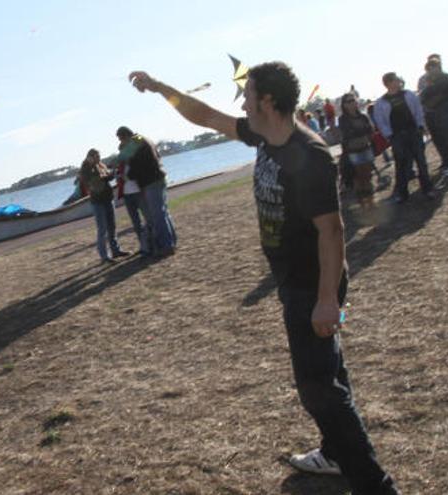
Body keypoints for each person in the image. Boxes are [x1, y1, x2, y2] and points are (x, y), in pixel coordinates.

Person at [129, 62, 399, 494]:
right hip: (296, 282)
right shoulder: (264, 135)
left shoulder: (307, 155)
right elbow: (206, 116)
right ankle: (334, 452)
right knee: (329, 370)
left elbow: (332, 230)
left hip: (314, 286)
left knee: (317, 388)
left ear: (267, 102)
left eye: (248, 93)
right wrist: (161, 85)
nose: (242, 101)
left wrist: (327, 300)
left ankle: (375, 484)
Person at [110, 126, 177, 257]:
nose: (121, 143)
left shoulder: (136, 141)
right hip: (158, 178)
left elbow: (123, 157)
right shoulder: (144, 139)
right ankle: (171, 242)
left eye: (120, 139)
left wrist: (114, 167)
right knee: (163, 213)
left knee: (157, 215)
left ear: (124, 136)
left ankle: (166, 246)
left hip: (151, 181)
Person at [374, 72, 435, 203]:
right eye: (395, 80)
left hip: (413, 132)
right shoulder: (381, 102)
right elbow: (380, 121)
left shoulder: (409, 95)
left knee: (421, 161)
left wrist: (420, 126)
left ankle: (427, 188)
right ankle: (402, 193)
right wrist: (389, 135)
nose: (398, 81)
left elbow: (418, 111)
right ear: (388, 83)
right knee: (401, 165)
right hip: (397, 136)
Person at [79, 149, 129, 262]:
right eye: (96, 157)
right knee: (102, 229)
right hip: (98, 201)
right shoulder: (85, 169)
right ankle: (104, 255)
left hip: (108, 198)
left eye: (99, 156)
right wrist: (107, 176)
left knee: (112, 226)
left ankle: (115, 250)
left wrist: (111, 174)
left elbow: (106, 176)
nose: (98, 159)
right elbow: (92, 182)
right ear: (89, 157)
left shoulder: (100, 165)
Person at [420, 58, 448, 176]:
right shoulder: (430, 81)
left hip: (446, 115)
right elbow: (423, 97)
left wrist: (429, 99)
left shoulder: (446, 78)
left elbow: (436, 97)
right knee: (441, 141)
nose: (429, 72)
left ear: (438, 67)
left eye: (431, 69)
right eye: (428, 70)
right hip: (435, 117)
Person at [338, 93, 377, 209]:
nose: (351, 103)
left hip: (366, 147)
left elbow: (370, 130)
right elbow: (347, 134)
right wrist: (361, 133)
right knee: (358, 177)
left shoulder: (363, 116)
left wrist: (364, 135)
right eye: (348, 101)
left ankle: (371, 200)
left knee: (368, 175)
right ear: (344, 105)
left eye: (353, 101)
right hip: (353, 151)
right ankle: (362, 202)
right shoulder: (343, 119)